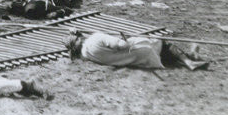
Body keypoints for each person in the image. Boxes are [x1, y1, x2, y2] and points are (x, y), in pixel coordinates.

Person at [64, 31, 208, 71]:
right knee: (161, 43)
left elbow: (79, 43)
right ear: (80, 37)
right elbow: (121, 45)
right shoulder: (96, 37)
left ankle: (189, 56)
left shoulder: (85, 55)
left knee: (162, 53)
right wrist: (125, 40)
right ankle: (188, 61)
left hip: (133, 61)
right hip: (138, 51)